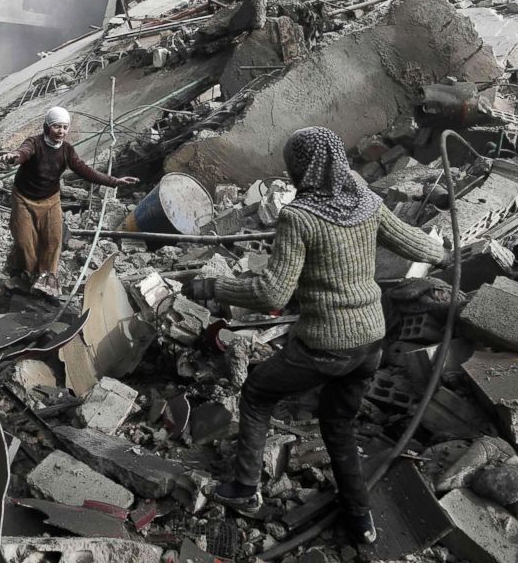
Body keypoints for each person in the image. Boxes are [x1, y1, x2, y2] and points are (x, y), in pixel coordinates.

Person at [184, 127, 449, 544]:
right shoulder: (365, 199)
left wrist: (211, 287)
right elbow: (424, 248)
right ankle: (361, 521)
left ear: (299, 167)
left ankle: (245, 490)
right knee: (338, 423)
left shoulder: (299, 216)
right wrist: (445, 250)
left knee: (257, 391)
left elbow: (273, 293)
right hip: (370, 343)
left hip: (325, 343)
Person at [1, 107, 138, 296]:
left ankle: (46, 280)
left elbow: (85, 171)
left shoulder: (67, 150)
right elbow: (23, 152)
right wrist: (13, 158)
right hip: (23, 199)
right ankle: (26, 275)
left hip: (50, 200)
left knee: (53, 240)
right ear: (47, 126)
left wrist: (114, 181)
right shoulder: (35, 143)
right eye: (57, 126)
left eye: (65, 127)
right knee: (25, 241)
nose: (61, 132)